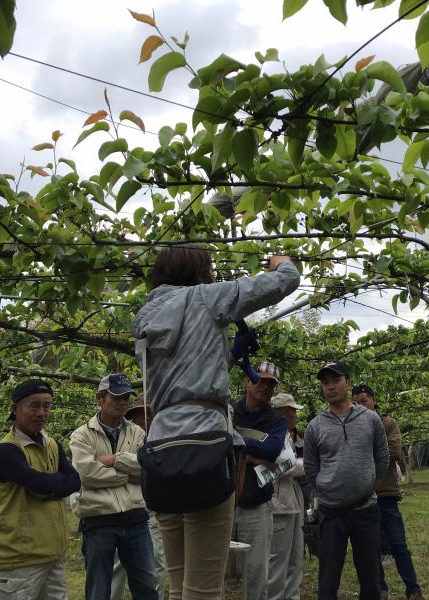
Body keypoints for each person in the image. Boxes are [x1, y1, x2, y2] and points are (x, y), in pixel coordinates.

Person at [131, 246, 300, 600]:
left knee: (178, 585)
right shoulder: (207, 297)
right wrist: (279, 261)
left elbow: (183, 374)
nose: (212, 275)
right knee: (205, 588)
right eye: (208, 269)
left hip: (162, 449)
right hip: (206, 448)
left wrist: (230, 355)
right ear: (196, 273)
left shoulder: (146, 316)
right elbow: (286, 280)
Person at [304, 362, 389, 600]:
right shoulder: (315, 426)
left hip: (365, 509)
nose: (330, 387)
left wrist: (368, 483)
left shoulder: (370, 419)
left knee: (370, 576)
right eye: (325, 383)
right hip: (331, 512)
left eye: (336, 381)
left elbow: (382, 457)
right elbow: (311, 467)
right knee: (328, 579)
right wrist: (326, 486)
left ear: (348, 383)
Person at [0, 379, 81, 600]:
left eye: (47, 406)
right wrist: (55, 483)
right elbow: (41, 482)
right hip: (19, 561)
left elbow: (75, 481)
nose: (41, 412)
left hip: (52, 555)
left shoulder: (52, 444)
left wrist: (46, 487)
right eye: (34, 405)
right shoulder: (6, 450)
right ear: (15, 409)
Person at [70, 373, 157, 600]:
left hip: (135, 517)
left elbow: (147, 470)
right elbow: (86, 474)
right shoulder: (81, 435)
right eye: (116, 396)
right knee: (99, 589)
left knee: (147, 585)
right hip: (98, 519)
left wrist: (113, 460)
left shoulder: (138, 432)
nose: (122, 402)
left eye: (126, 397)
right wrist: (127, 473)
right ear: (100, 399)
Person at [352, 384, 424, 600]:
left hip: (385, 492)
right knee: (370, 546)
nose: (360, 406)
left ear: (374, 400)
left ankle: (413, 589)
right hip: (362, 494)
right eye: (355, 402)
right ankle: (380, 588)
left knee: (398, 543)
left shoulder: (388, 423)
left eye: (364, 401)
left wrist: (361, 454)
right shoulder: (351, 425)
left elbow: (393, 452)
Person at [233, 362, 288, 600]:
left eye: (270, 384)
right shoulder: (229, 411)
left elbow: (274, 450)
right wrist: (257, 452)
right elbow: (217, 438)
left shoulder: (277, 419)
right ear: (247, 381)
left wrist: (236, 441)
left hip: (257, 505)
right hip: (223, 502)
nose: (264, 387)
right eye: (260, 380)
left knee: (256, 572)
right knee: (214, 570)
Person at [111, 395, 166, 600]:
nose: (148, 419)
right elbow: (116, 467)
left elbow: (158, 470)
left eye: (151, 414)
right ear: (134, 417)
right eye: (143, 415)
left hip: (153, 508)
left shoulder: (162, 437)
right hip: (125, 505)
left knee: (155, 560)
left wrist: (128, 466)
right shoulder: (126, 437)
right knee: (118, 563)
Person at [268, 393, 306, 600]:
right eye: (292, 410)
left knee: (294, 559)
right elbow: (287, 467)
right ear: (282, 413)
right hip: (278, 505)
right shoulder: (274, 435)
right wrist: (311, 464)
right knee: (277, 562)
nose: (295, 415)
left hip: (291, 503)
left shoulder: (287, 436)